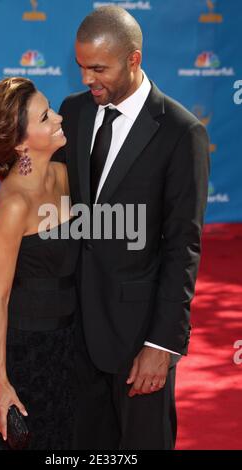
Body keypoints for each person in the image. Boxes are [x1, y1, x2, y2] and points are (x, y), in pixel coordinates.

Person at [53, 6, 210, 450]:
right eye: (82, 67)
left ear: (134, 59)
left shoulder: (182, 132)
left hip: (139, 337)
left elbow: (183, 246)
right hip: (76, 330)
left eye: (99, 68)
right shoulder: (75, 111)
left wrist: (162, 344)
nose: (87, 79)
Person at [0, 77, 80, 450]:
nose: (60, 118)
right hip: (23, 352)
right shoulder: (13, 204)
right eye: (46, 117)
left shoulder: (64, 173)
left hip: (68, 345)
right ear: (20, 144)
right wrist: (1, 383)